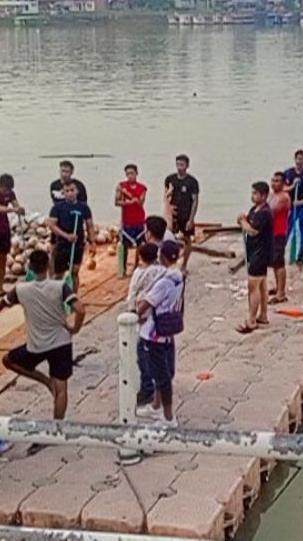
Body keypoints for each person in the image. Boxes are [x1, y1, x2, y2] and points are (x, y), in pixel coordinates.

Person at [0, 249, 85, 420]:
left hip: (36, 345)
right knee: (62, 389)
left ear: (30, 267)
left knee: (9, 360)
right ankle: (56, 427)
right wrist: (75, 328)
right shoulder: (60, 287)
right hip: (61, 342)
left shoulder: (21, 290)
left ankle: (44, 380)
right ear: (48, 264)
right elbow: (80, 309)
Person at [135, 240, 184, 428]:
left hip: (154, 332)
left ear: (162, 257)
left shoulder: (164, 282)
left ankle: (168, 417)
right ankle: (156, 406)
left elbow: (147, 303)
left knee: (161, 375)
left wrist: (135, 313)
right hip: (168, 331)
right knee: (162, 371)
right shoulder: (179, 277)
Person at [126, 243, 166, 408]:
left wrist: (131, 311)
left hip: (143, 315)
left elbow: (132, 293)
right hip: (158, 316)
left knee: (142, 352)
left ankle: (147, 387)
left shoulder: (139, 273)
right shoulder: (161, 272)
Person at [236, 182, 272, 334]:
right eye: (252, 193)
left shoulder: (265, 213)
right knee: (262, 283)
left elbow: (252, 230)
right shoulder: (255, 210)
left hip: (260, 252)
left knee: (253, 286)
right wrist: (245, 218)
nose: (253, 196)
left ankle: (251, 320)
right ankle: (262, 315)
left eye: (256, 194)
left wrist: (242, 222)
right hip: (254, 251)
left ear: (263, 195)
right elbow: (250, 220)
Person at [47, 181, 94, 291]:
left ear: (77, 191)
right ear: (63, 193)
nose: (69, 193)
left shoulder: (84, 207)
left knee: (74, 271)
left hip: (78, 244)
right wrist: (66, 236)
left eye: (72, 190)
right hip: (62, 245)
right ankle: (56, 296)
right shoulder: (57, 208)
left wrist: (93, 242)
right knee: (59, 274)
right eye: (67, 191)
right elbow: (52, 225)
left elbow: (90, 226)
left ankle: (73, 296)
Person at [165, 154, 200, 270]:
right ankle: (169, 262)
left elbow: (195, 201)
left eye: (182, 165)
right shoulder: (170, 179)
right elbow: (165, 197)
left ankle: (184, 264)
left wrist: (191, 219)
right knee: (169, 238)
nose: (180, 167)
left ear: (187, 166)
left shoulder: (192, 182)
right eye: (178, 164)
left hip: (186, 214)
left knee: (187, 239)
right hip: (173, 214)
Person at [283, 149, 303, 267]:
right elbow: (283, 188)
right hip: (291, 207)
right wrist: (292, 186)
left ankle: (300, 257)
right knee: (286, 230)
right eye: (297, 159)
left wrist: (301, 201)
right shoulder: (288, 173)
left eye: (301, 159)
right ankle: (280, 254)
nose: (299, 161)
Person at [115, 163, 149, 272]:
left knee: (141, 244)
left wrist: (129, 196)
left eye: (132, 173)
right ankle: (123, 268)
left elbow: (140, 203)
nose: (130, 176)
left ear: (136, 174)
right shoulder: (121, 186)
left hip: (139, 219)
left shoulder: (142, 188)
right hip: (127, 220)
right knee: (124, 245)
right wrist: (128, 203)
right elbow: (117, 202)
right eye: (128, 174)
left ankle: (136, 265)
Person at [267, 172, 292, 305]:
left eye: (277, 181)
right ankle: (278, 287)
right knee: (274, 262)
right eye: (273, 180)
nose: (274, 183)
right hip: (271, 232)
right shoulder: (272, 195)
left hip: (279, 232)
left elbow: (271, 210)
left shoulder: (283, 198)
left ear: (283, 183)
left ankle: (281, 293)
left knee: (279, 262)